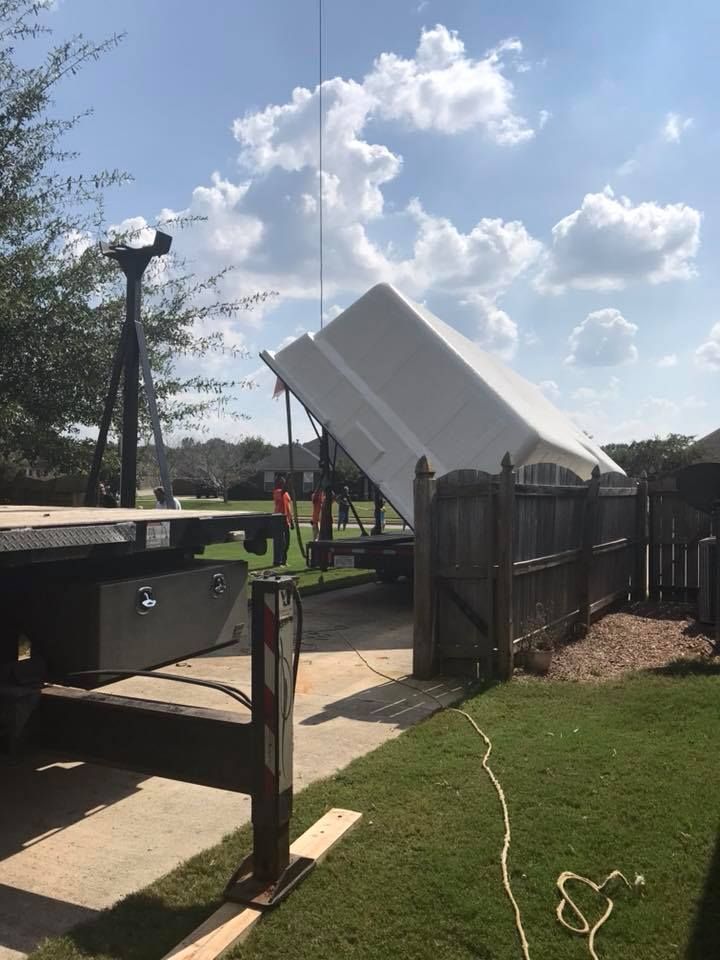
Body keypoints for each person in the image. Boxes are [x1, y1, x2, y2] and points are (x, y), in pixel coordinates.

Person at [272, 475, 294, 564]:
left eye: (283, 481)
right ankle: (279, 561)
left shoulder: (286, 494)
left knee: (287, 543)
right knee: (281, 542)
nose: (283, 482)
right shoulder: (277, 492)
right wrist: (288, 478)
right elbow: (283, 490)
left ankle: (284, 560)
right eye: (281, 481)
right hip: (279, 519)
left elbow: (288, 508)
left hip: (286, 520)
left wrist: (291, 521)